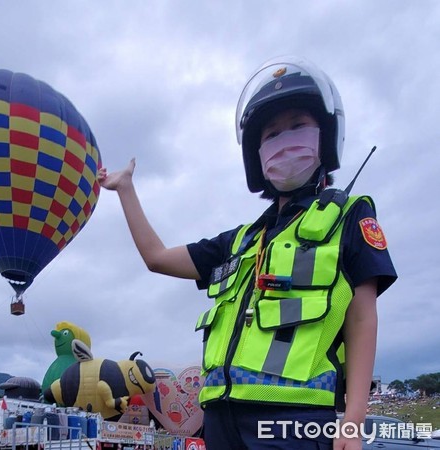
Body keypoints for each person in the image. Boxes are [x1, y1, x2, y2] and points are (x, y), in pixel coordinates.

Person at [98, 55, 397, 449]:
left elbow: (361, 319)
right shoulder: (238, 242)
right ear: (256, 155)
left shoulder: (349, 215)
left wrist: (353, 420)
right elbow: (156, 257)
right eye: (271, 134)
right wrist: (126, 190)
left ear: (325, 135)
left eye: (297, 126)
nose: (284, 140)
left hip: (293, 421)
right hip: (221, 419)